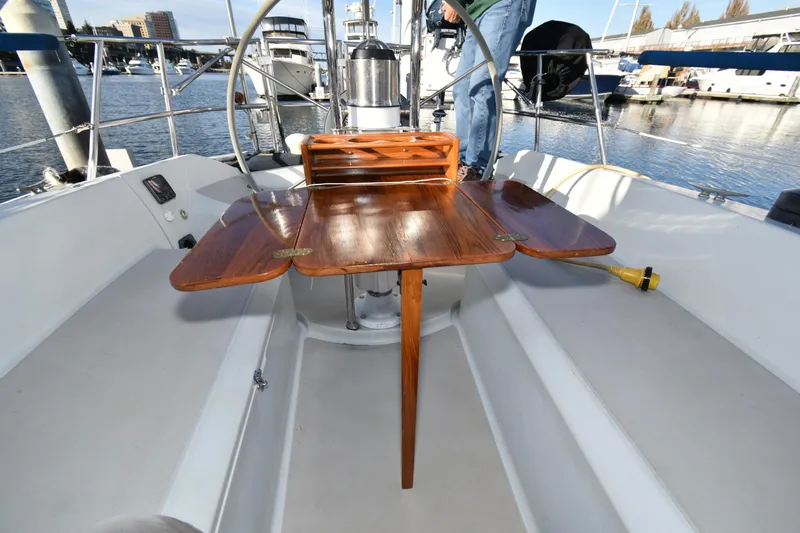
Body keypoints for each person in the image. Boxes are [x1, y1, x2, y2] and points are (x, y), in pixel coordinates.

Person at [442, 0, 537, 180]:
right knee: (461, 88)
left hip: (502, 4)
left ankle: (477, 167)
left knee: (483, 86)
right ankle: (462, 160)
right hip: (475, 11)